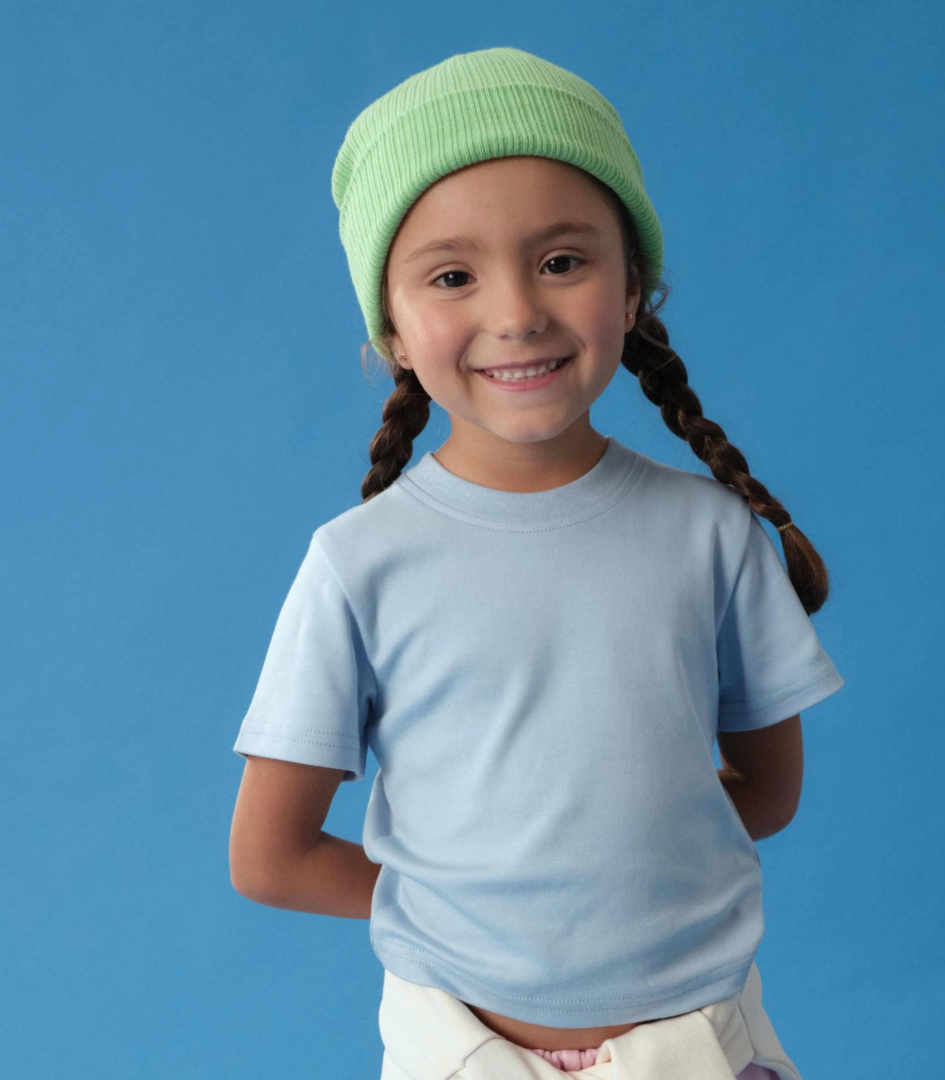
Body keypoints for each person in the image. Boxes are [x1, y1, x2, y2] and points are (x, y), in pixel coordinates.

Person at [229, 46, 845, 1079]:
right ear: (392, 329)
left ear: (634, 287)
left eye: (562, 261)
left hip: (704, 1045)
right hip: (458, 1052)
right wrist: (477, 912)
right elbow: (270, 858)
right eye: (453, 276)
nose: (516, 312)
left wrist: (614, 870)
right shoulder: (357, 565)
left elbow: (767, 795)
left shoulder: (709, 536)